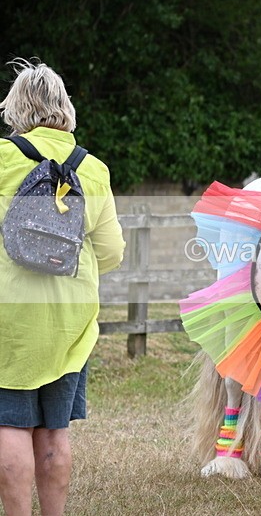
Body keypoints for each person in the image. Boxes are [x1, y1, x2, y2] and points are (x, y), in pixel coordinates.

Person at [0, 58, 125, 516]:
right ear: (65, 108)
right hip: (70, 320)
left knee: (7, 423)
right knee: (54, 429)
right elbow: (111, 252)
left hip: (7, 317)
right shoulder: (92, 170)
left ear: (16, 110)